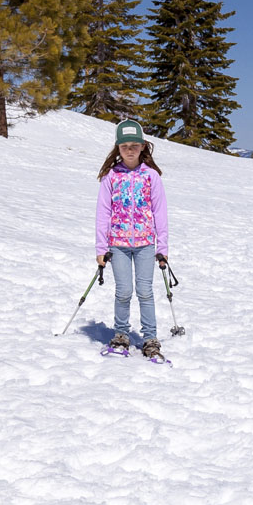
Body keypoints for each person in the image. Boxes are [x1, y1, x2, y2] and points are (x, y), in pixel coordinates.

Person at [95, 119, 169, 360]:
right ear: (118, 147)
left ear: (142, 147)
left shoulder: (151, 176)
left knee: (145, 292)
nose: (129, 150)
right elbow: (103, 213)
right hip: (118, 245)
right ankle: (121, 335)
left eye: (134, 145)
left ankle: (150, 338)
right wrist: (101, 247)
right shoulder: (111, 176)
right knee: (124, 291)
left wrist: (163, 247)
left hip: (146, 244)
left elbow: (160, 212)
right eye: (124, 145)